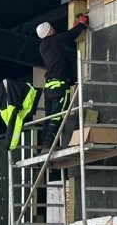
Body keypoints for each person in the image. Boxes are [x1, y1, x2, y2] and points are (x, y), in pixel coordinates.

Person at [36, 13, 90, 151]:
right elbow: (71, 35)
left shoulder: (43, 46)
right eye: (51, 28)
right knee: (57, 116)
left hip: (49, 87)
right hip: (59, 85)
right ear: (49, 31)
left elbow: (66, 38)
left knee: (49, 117)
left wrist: (76, 27)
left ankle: (45, 145)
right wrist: (81, 24)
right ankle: (49, 145)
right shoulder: (55, 40)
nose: (54, 29)